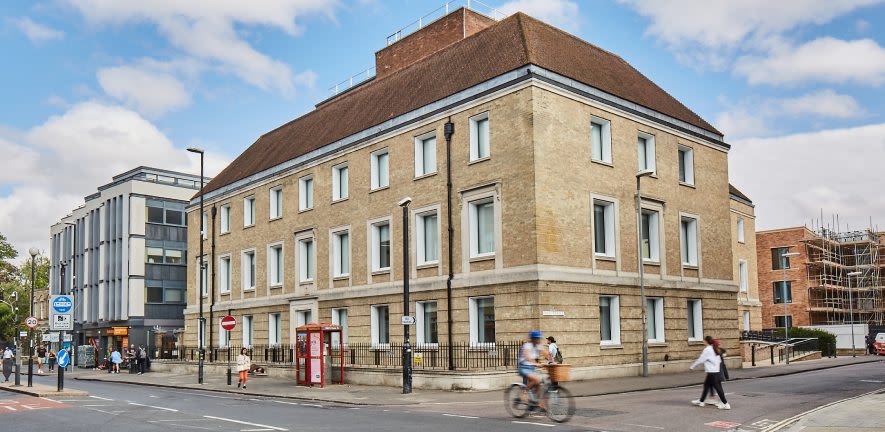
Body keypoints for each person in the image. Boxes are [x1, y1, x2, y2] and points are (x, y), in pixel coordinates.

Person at [690, 335, 730, 410]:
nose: (703, 341)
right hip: (714, 371)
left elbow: (701, 359)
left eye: (703, 340)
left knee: (718, 388)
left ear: (706, 341)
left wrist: (692, 366)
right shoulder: (714, 348)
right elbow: (719, 360)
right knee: (706, 386)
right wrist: (716, 369)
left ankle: (725, 404)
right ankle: (701, 401)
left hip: (712, 372)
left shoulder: (707, 349)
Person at [518, 330, 545, 408]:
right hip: (523, 367)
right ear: (532, 339)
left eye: (539, 338)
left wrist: (551, 359)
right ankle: (524, 393)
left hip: (532, 367)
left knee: (538, 384)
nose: (539, 340)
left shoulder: (539, 345)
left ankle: (538, 403)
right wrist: (536, 364)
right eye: (537, 338)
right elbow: (527, 357)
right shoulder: (527, 345)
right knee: (536, 380)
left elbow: (545, 353)